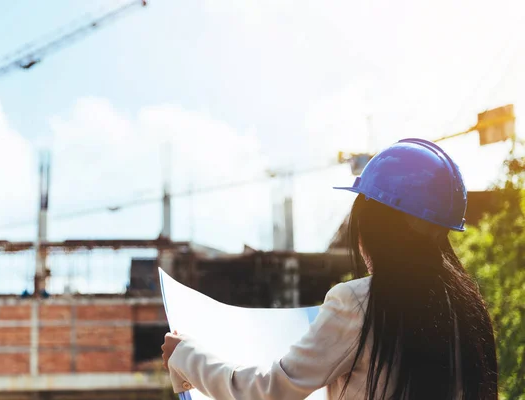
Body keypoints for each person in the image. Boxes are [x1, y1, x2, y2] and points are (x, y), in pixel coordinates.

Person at [161, 138, 498, 400]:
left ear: (375, 225)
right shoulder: (468, 312)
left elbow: (267, 391)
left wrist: (186, 356)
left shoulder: (359, 302)